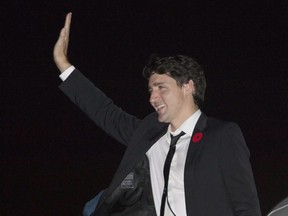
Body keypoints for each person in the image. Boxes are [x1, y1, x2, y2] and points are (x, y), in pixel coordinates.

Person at [53, 13, 262, 216]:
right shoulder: (149, 134)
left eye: (161, 87)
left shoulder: (222, 135)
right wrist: (63, 64)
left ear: (188, 87)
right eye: (151, 90)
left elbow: (246, 204)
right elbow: (106, 112)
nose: (153, 98)